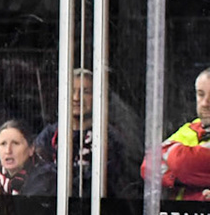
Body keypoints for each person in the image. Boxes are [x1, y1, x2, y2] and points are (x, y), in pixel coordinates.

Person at [29, 69, 138, 201]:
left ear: (98, 96)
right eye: (72, 91)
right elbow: (40, 179)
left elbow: (106, 182)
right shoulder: (49, 136)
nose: (76, 98)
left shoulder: (109, 139)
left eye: (85, 92)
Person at [152, 68, 210, 199]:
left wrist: (178, 174)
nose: (205, 103)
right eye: (201, 94)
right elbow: (149, 165)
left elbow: (183, 164)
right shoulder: (190, 129)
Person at [0, 119, 40, 195]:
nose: (8, 151)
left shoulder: (43, 179)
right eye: (3, 144)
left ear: (31, 149)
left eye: (15, 143)